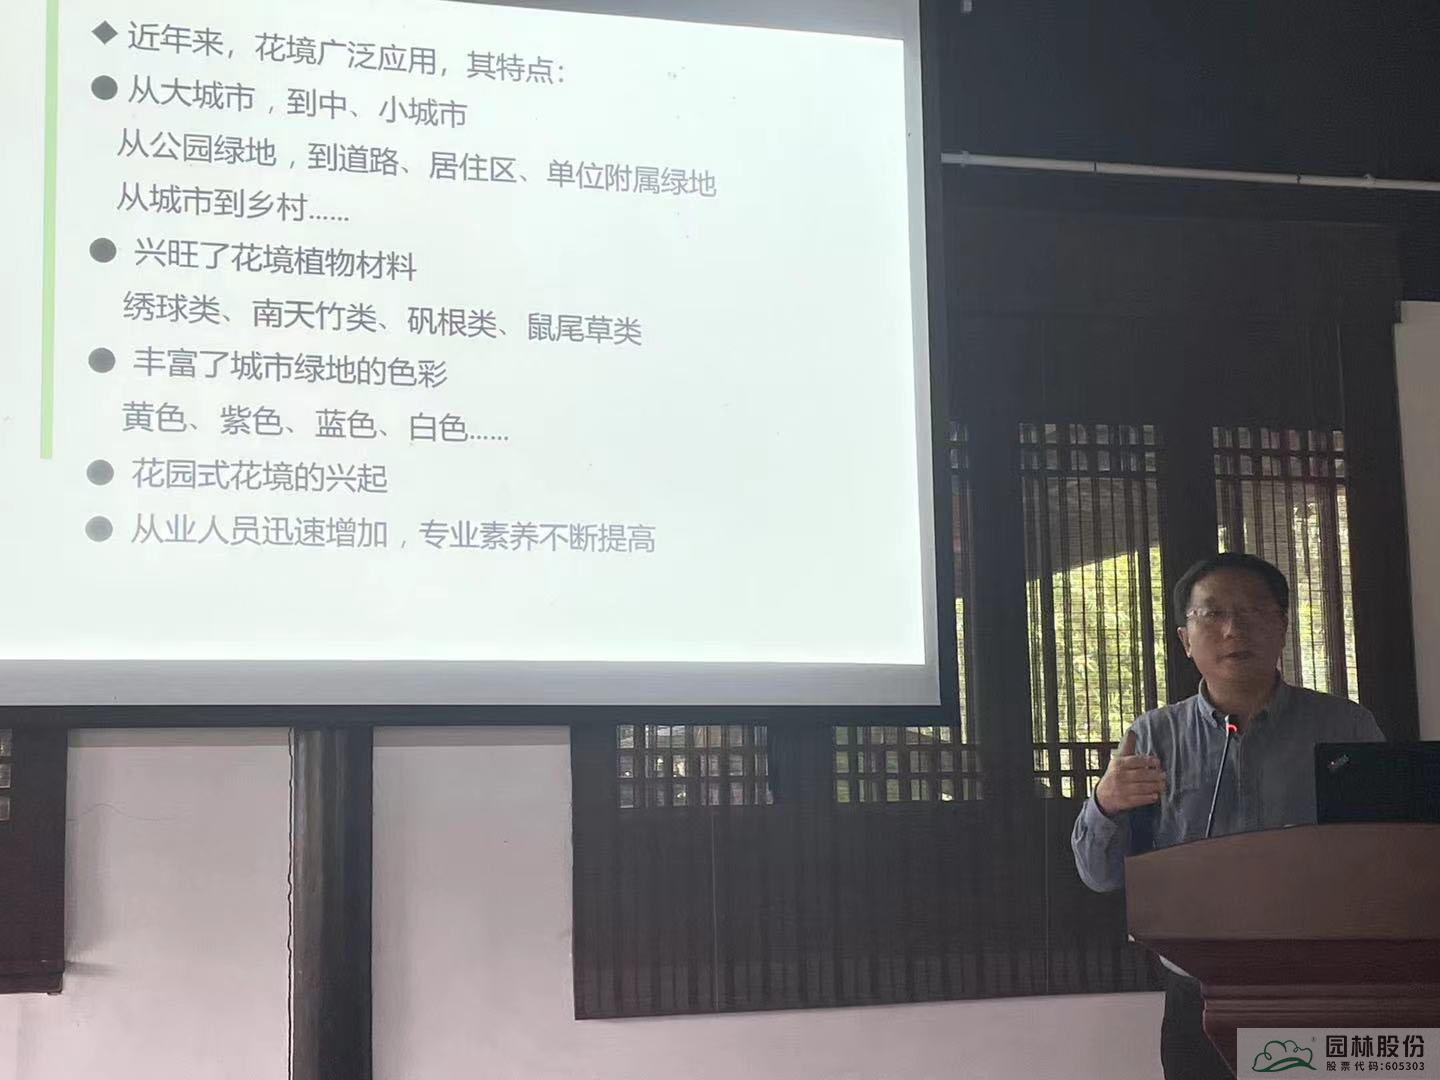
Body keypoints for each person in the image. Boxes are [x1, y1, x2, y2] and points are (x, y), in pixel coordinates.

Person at [1071, 552, 1383, 1080]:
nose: (1234, 629)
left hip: (1316, 986)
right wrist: (1104, 803)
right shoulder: (1153, 737)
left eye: (1254, 610)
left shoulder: (1346, 728)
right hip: (1197, 992)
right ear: (1185, 639)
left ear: (1282, 627)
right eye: (1212, 614)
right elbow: (1098, 875)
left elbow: (1389, 858)